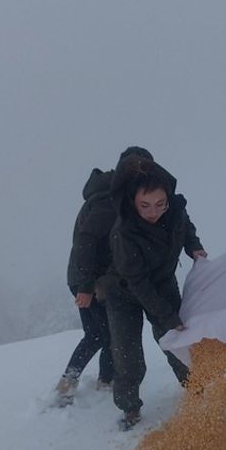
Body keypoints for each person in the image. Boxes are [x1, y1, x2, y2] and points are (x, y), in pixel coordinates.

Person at [98, 151, 206, 430]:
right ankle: (129, 407)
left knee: (177, 342)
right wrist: (169, 317)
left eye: (160, 204)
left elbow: (186, 227)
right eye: (145, 205)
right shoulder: (124, 233)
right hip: (125, 293)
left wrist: (193, 246)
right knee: (127, 354)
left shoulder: (175, 211)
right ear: (133, 201)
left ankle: (195, 388)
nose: (153, 212)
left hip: (163, 281)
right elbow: (139, 284)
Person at [54, 149, 144, 407]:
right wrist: (86, 285)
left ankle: (106, 380)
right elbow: (86, 242)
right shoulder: (108, 200)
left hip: (95, 278)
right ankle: (67, 384)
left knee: (108, 331)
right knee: (99, 333)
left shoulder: (113, 196)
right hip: (88, 280)